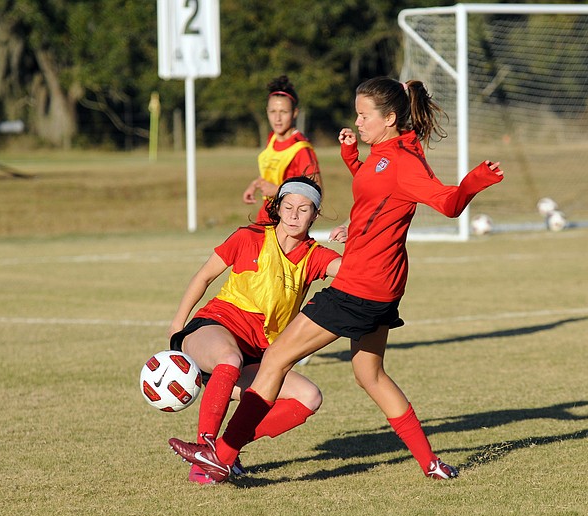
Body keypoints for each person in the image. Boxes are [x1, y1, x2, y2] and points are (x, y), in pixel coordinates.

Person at [170, 76, 505, 482]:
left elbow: (448, 203)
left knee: (275, 360)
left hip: (359, 285)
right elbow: (376, 188)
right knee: (370, 375)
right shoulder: (386, 151)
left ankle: (220, 455)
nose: (358, 122)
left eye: (365, 116)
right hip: (383, 287)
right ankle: (431, 464)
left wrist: (474, 182)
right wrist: (351, 166)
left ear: (390, 118)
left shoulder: (404, 160)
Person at [168, 176, 341, 483]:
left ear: (315, 214)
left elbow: (360, 272)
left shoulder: (315, 256)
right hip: (213, 329)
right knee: (228, 359)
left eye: (303, 209)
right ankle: (204, 451)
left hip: (258, 354)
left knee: (309, 397)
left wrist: (356, 235)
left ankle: (223, 451)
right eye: (288, 206)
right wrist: (176, 326)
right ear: (277, 208)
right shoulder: (249, 237)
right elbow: (203, 277)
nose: (294, 215)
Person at [243, 75, 322, 224]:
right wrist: (254, 185)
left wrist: (278, 190)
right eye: (273, 112)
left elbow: (316, 189)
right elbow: (271, 174)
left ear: (295, 113)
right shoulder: (272, 139)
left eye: (283, 112)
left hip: (287, 223)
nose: (277, 118)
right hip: (266, 216)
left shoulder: (301, 148)